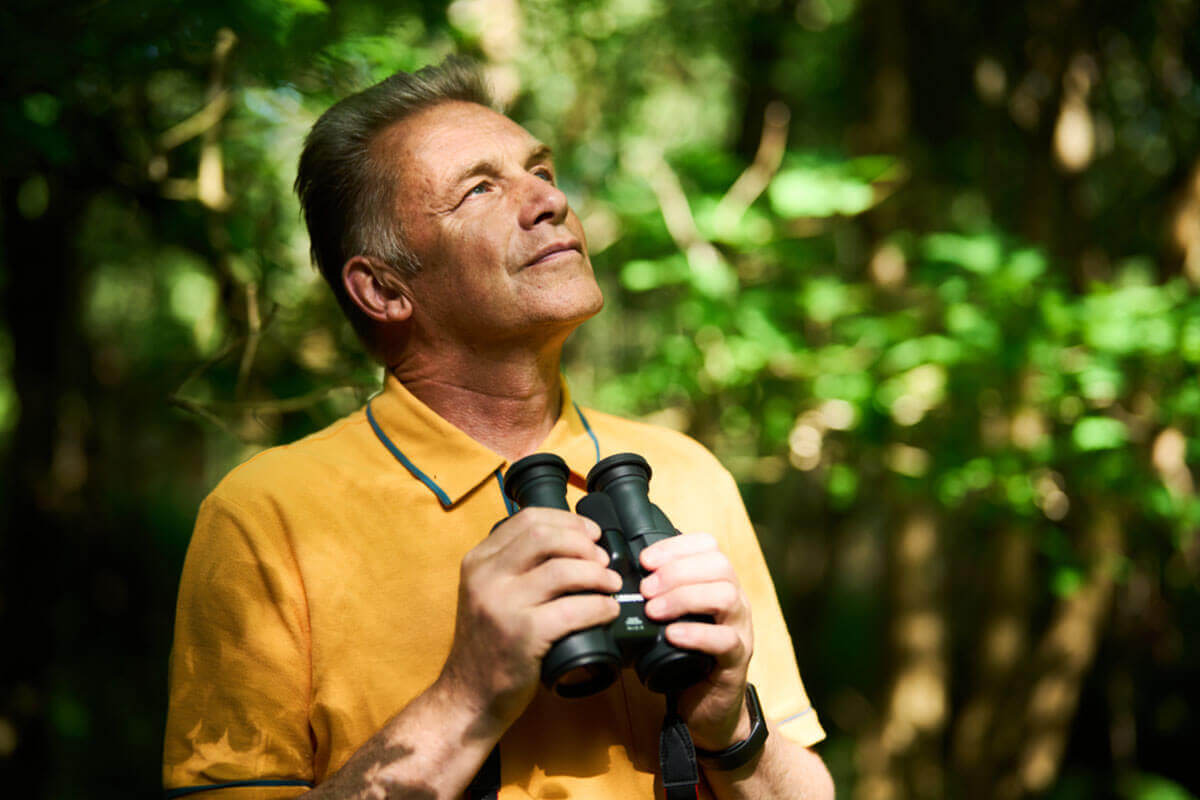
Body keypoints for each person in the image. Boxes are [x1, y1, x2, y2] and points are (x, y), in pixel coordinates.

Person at [163, 58, 833, 800]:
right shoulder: (265, 517)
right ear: (384, 288)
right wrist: (467, 695)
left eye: (540, 169)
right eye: (480, 188)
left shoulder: (684, 475)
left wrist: (731, 726)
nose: (549, 199)